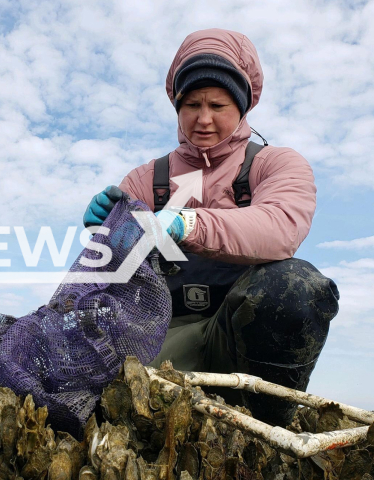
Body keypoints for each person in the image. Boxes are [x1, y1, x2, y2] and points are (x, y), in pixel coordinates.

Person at [82, 28, 339, 426]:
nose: (203, 119)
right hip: (162, 337)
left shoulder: (276, 163)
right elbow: (111, 279)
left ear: (243, 106)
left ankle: (267, 422)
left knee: (295, 285)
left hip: (237, 341)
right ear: (177, 106)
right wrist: (105, 235)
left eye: (218, 105)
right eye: (192, 104)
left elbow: (281, 227)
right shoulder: (146, 179)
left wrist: (187, 222)